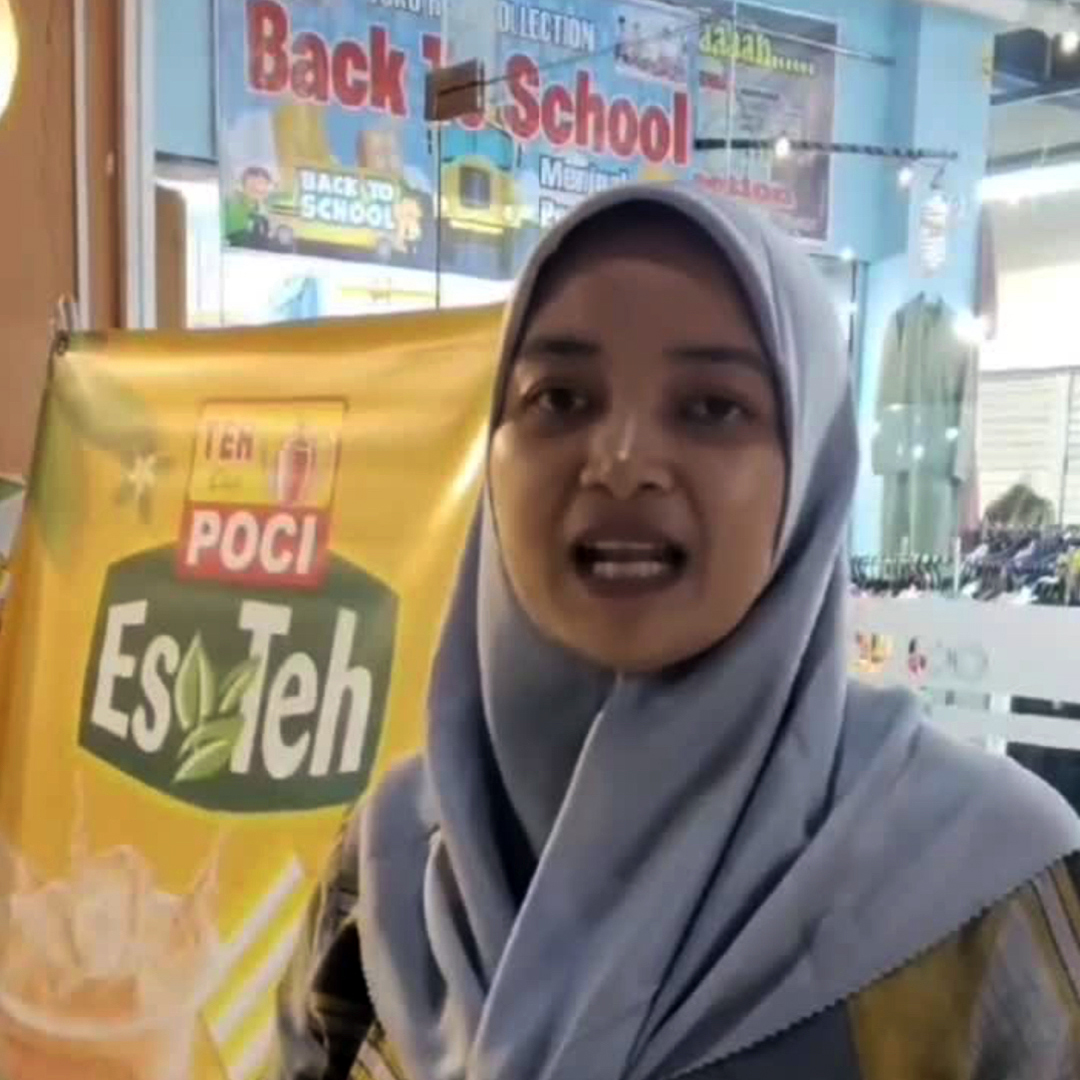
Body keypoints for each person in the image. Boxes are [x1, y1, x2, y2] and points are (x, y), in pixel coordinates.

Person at [271, 186, 1080, 1080]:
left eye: (712, 408)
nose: (622, 461)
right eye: (560, 398)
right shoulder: (391, 864)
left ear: (810, 471)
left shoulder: (983, 889)